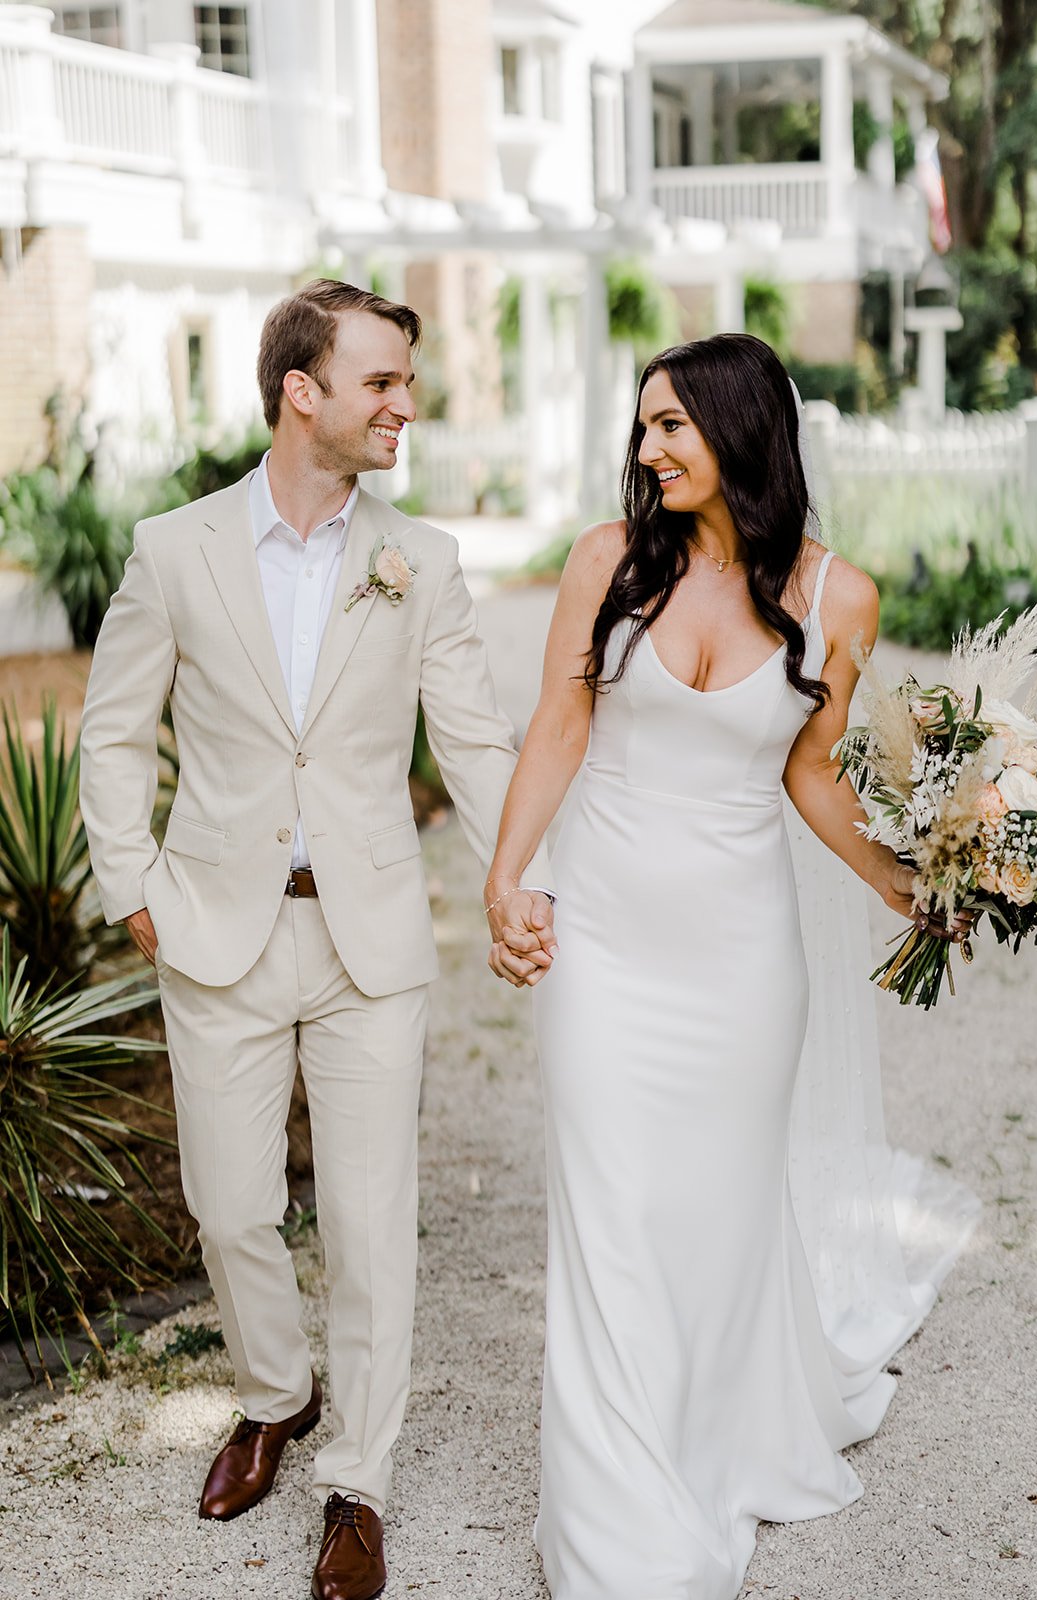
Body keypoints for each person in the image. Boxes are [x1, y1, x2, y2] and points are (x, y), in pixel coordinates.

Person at [79, 278, 554, 1600]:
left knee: (366, 1214)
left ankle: (359, 1476)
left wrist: (516, 878)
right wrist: (136, 888)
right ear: (303, 391)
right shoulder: (173, 550)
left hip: (367, 940)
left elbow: (469, 741)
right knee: (229, 1208)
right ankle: (275, 1394)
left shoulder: (425, 562)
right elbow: (111, 729)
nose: (406, 405)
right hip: (213, 930)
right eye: (382, 382)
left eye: (405, 383)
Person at [483, 334, 971, 1600]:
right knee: (607, 1220)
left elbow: (808, 774)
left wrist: (905, 881)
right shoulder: (606, 561)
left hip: (740, 966)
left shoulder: (834, 598)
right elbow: (558, 723)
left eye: (669, 427)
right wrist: (505, 874)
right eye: (640, 427)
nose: (646, 451)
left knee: (712, 1213)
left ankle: (719, 1427)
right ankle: (616, 1527)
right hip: (601, 942)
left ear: (739, 428)